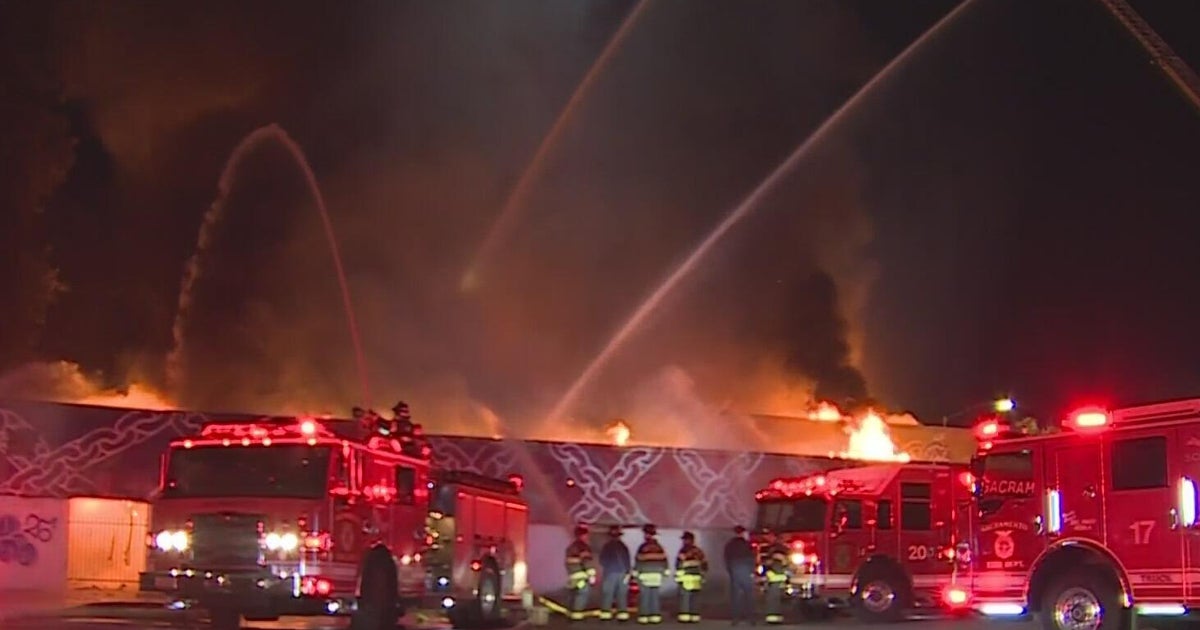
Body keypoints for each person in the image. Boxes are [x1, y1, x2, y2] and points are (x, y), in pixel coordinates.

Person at [633, 524, 667, 624]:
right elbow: (664, 561)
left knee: (645, 596)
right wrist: (664, 573)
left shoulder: (643, 547)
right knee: (654, 596)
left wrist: (636, 573)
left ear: (646, 534)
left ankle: (644, 616)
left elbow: (638, 561)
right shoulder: (660, 548)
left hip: (645, 575)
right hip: (657, 575)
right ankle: (655, 616)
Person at [723, 525, 756, 626]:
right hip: (745, 571)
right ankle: (750, 618)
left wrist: (730, 571)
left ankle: (735, 619)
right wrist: (752, 571)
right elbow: (752, 558)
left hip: (735, 571)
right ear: (743, 533)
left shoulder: (730, 545)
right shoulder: (747, 544)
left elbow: (726, 559)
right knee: (748, 595)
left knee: (736, 596)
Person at [598, 525, 632, 621]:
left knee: (608, 593)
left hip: (610, 573)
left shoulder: (607, 546)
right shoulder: (623, 546)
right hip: (622, 573)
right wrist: (628, 572)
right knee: (622, 594)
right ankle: (622, 614)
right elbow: (627, 560)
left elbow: (602, 560)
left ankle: (606, 613)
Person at [675, 531, 708, 623]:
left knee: (685, 597)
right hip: (696, 577)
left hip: (686, 577)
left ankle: (685, 616)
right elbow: (705, 564)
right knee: (695, 597)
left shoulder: (683, 550)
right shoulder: (698, 551)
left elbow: (679, 564)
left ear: (688, 540)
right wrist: (703, 575)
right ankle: (695, 616)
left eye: (684, 539)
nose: (683, 541)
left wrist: (678, 576)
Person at [565, 524, 597, 621]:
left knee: (572, 594)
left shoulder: (571, 547)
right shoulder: (583, 547)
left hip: (572, 576)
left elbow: (568, 562)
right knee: (582, 593)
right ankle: (577, 615)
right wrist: (591, 575)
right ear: (584, 535)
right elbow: (587, 561)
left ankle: (570, 613)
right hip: (582, 576)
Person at [760, 530, 789, 624]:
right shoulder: (780, 550)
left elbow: (766, 565)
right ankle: (775, 618)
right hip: (776, 582)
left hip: (773, 582)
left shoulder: (772, 550)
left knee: (773, 600)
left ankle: (774, 618)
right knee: (775, 600)